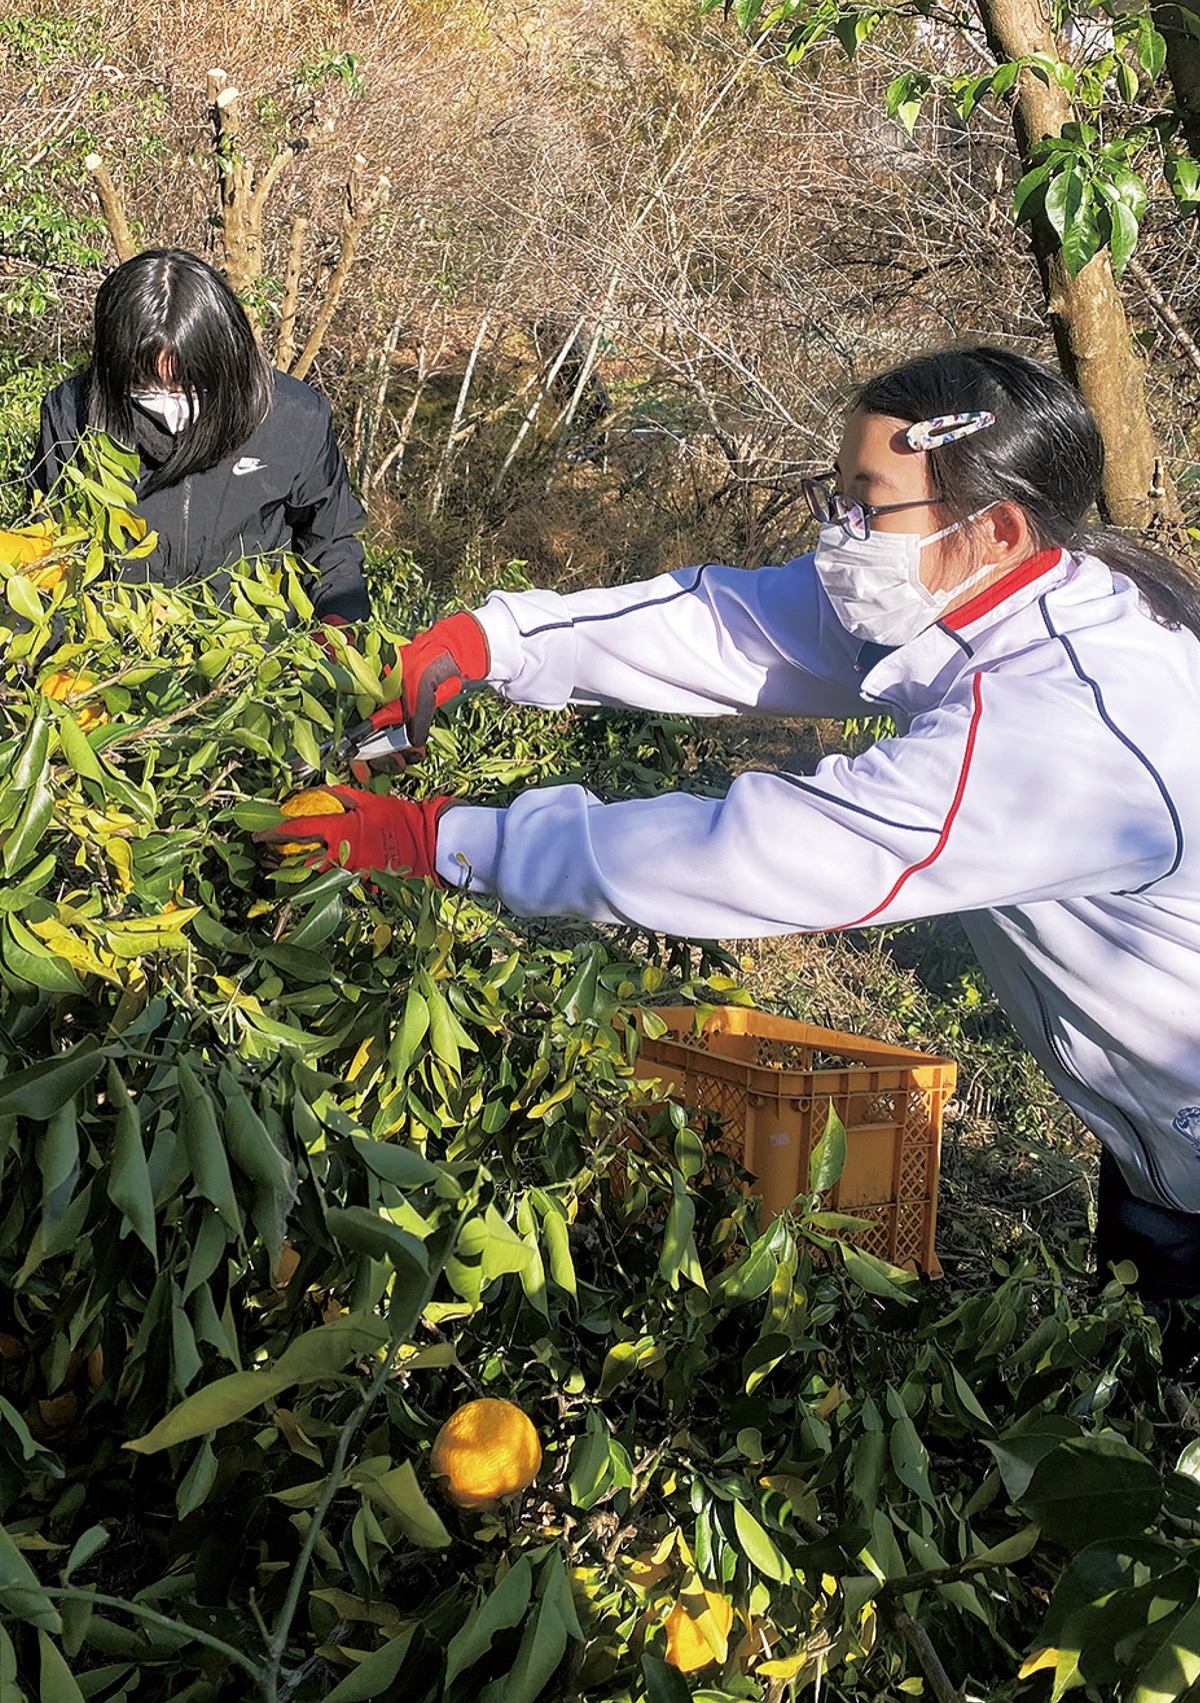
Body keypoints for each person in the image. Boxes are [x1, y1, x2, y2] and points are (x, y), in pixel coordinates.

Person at [258, 344, 1200, 1346]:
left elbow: (750, 855)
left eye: (867, 505)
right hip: (1154, 1148)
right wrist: (487, 642)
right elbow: (732, 626)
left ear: (994, 528)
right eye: (834, 497)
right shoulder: (997, 592)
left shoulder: (1065, 728)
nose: (841, 534)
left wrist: (435, 838)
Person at [28, 247, 370, 629]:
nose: (169, 401)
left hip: (253, 656)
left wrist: (342, 629)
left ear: (224, 358)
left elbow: (332, 540)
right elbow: (50, 547)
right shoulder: (72, 413)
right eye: (147, 383)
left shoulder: (294, 419)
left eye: (188, 383)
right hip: (118, 650)